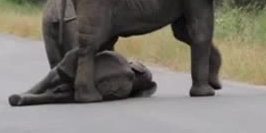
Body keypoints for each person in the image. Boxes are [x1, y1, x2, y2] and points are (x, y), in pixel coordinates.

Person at [9, 48, 157, 106]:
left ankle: (31, 93)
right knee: (74, 94)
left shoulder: (118, 58)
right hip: (109, 82)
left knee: (63, 70)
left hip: (96, 72)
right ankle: (31, 98)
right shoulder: (127, 86)